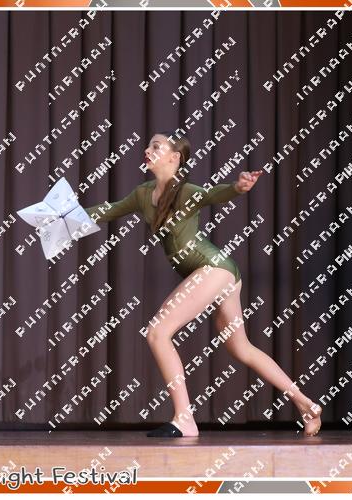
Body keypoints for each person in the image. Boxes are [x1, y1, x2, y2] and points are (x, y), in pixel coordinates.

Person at [83, 131, 322, 438]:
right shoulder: (143, 194)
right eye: (148, 145)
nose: (148, 149)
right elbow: (107, 211)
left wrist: (237, 187)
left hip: (214, 268)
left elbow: (213, 194)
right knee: (241, 348)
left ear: (174, 157)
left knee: (158, 332)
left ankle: (184, 418)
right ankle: (306, 404)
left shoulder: (186, 192)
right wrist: (61, 217)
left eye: (156, 146)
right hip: (222, 273)